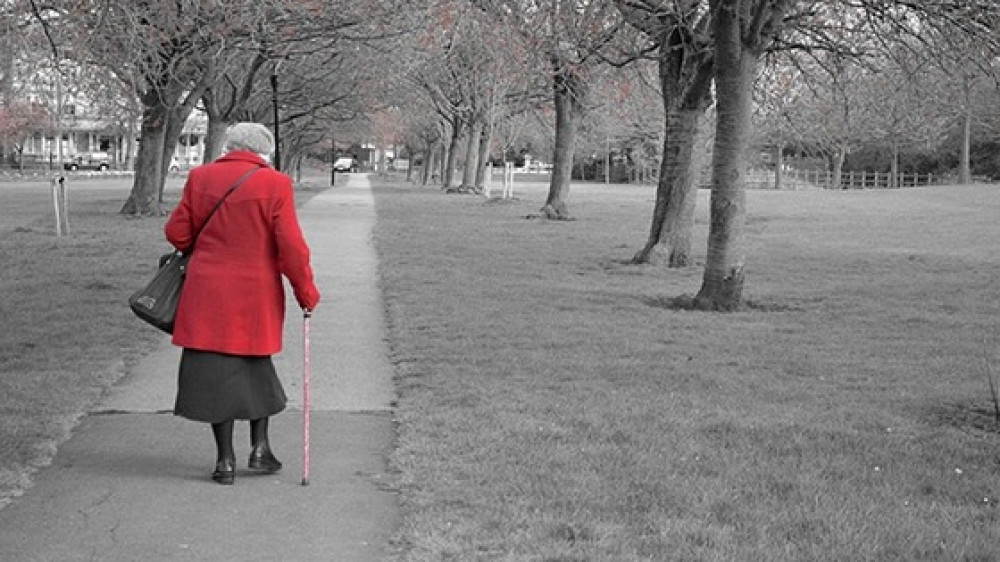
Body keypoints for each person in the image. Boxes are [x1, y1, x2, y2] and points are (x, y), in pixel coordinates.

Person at [164, 122, 320, 485]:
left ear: (229, 145)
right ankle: (260, 448)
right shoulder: (275, 183)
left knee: (217, 372)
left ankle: (225, 461)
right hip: (255, 293)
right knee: (254, 368)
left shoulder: (200, 177)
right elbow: (292, 249)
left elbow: (177, 233)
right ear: (262, 150)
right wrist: (306, 292)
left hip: (207, 293)